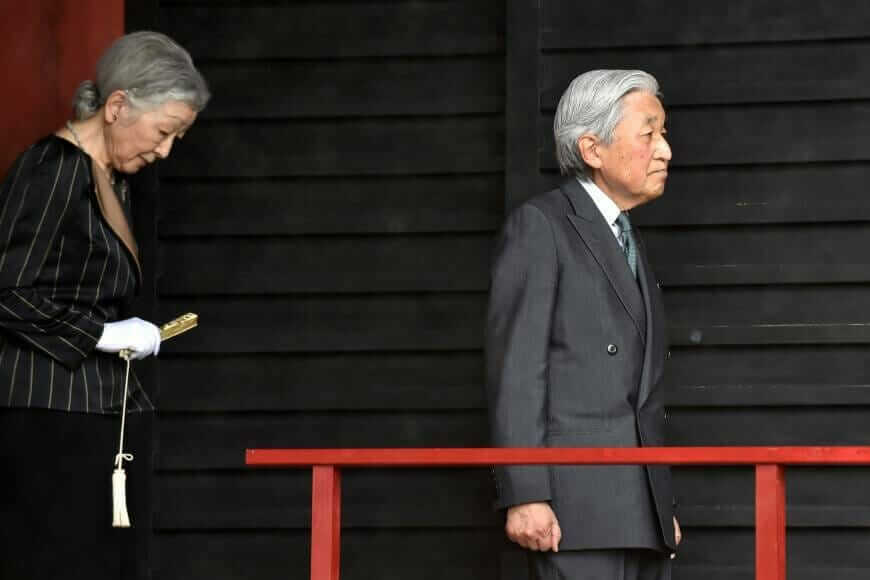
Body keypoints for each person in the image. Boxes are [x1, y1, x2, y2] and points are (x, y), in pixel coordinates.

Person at [0, 31, 209, 579]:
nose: (165, 150)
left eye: (176, 138)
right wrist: (102, 334)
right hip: (48, 416)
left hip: (102, 413)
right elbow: (7, 291)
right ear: (118, 106)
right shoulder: (53, 167)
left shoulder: (113, 180)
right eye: (164, 131)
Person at [485, 70, 681, 580]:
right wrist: (525, 493)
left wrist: (658, 504)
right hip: (573, 511)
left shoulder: (627, 239)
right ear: (592, 149)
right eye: (649, 134)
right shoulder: (542, 227)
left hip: (636, 512)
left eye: (663, 134)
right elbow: (518, 369)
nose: (665, 151)